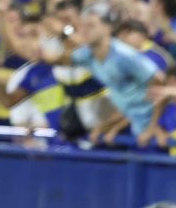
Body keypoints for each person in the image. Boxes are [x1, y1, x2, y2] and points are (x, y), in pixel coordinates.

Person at [67, 8, 164, 144]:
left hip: (156, 130)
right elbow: (128, 106)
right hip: (135, 128)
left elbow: (160, 89)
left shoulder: (133, 57)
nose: (86, 30)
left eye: (92, 25)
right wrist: (107, 128)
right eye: (83, 26)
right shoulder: (90, 56)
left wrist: (153, 127)